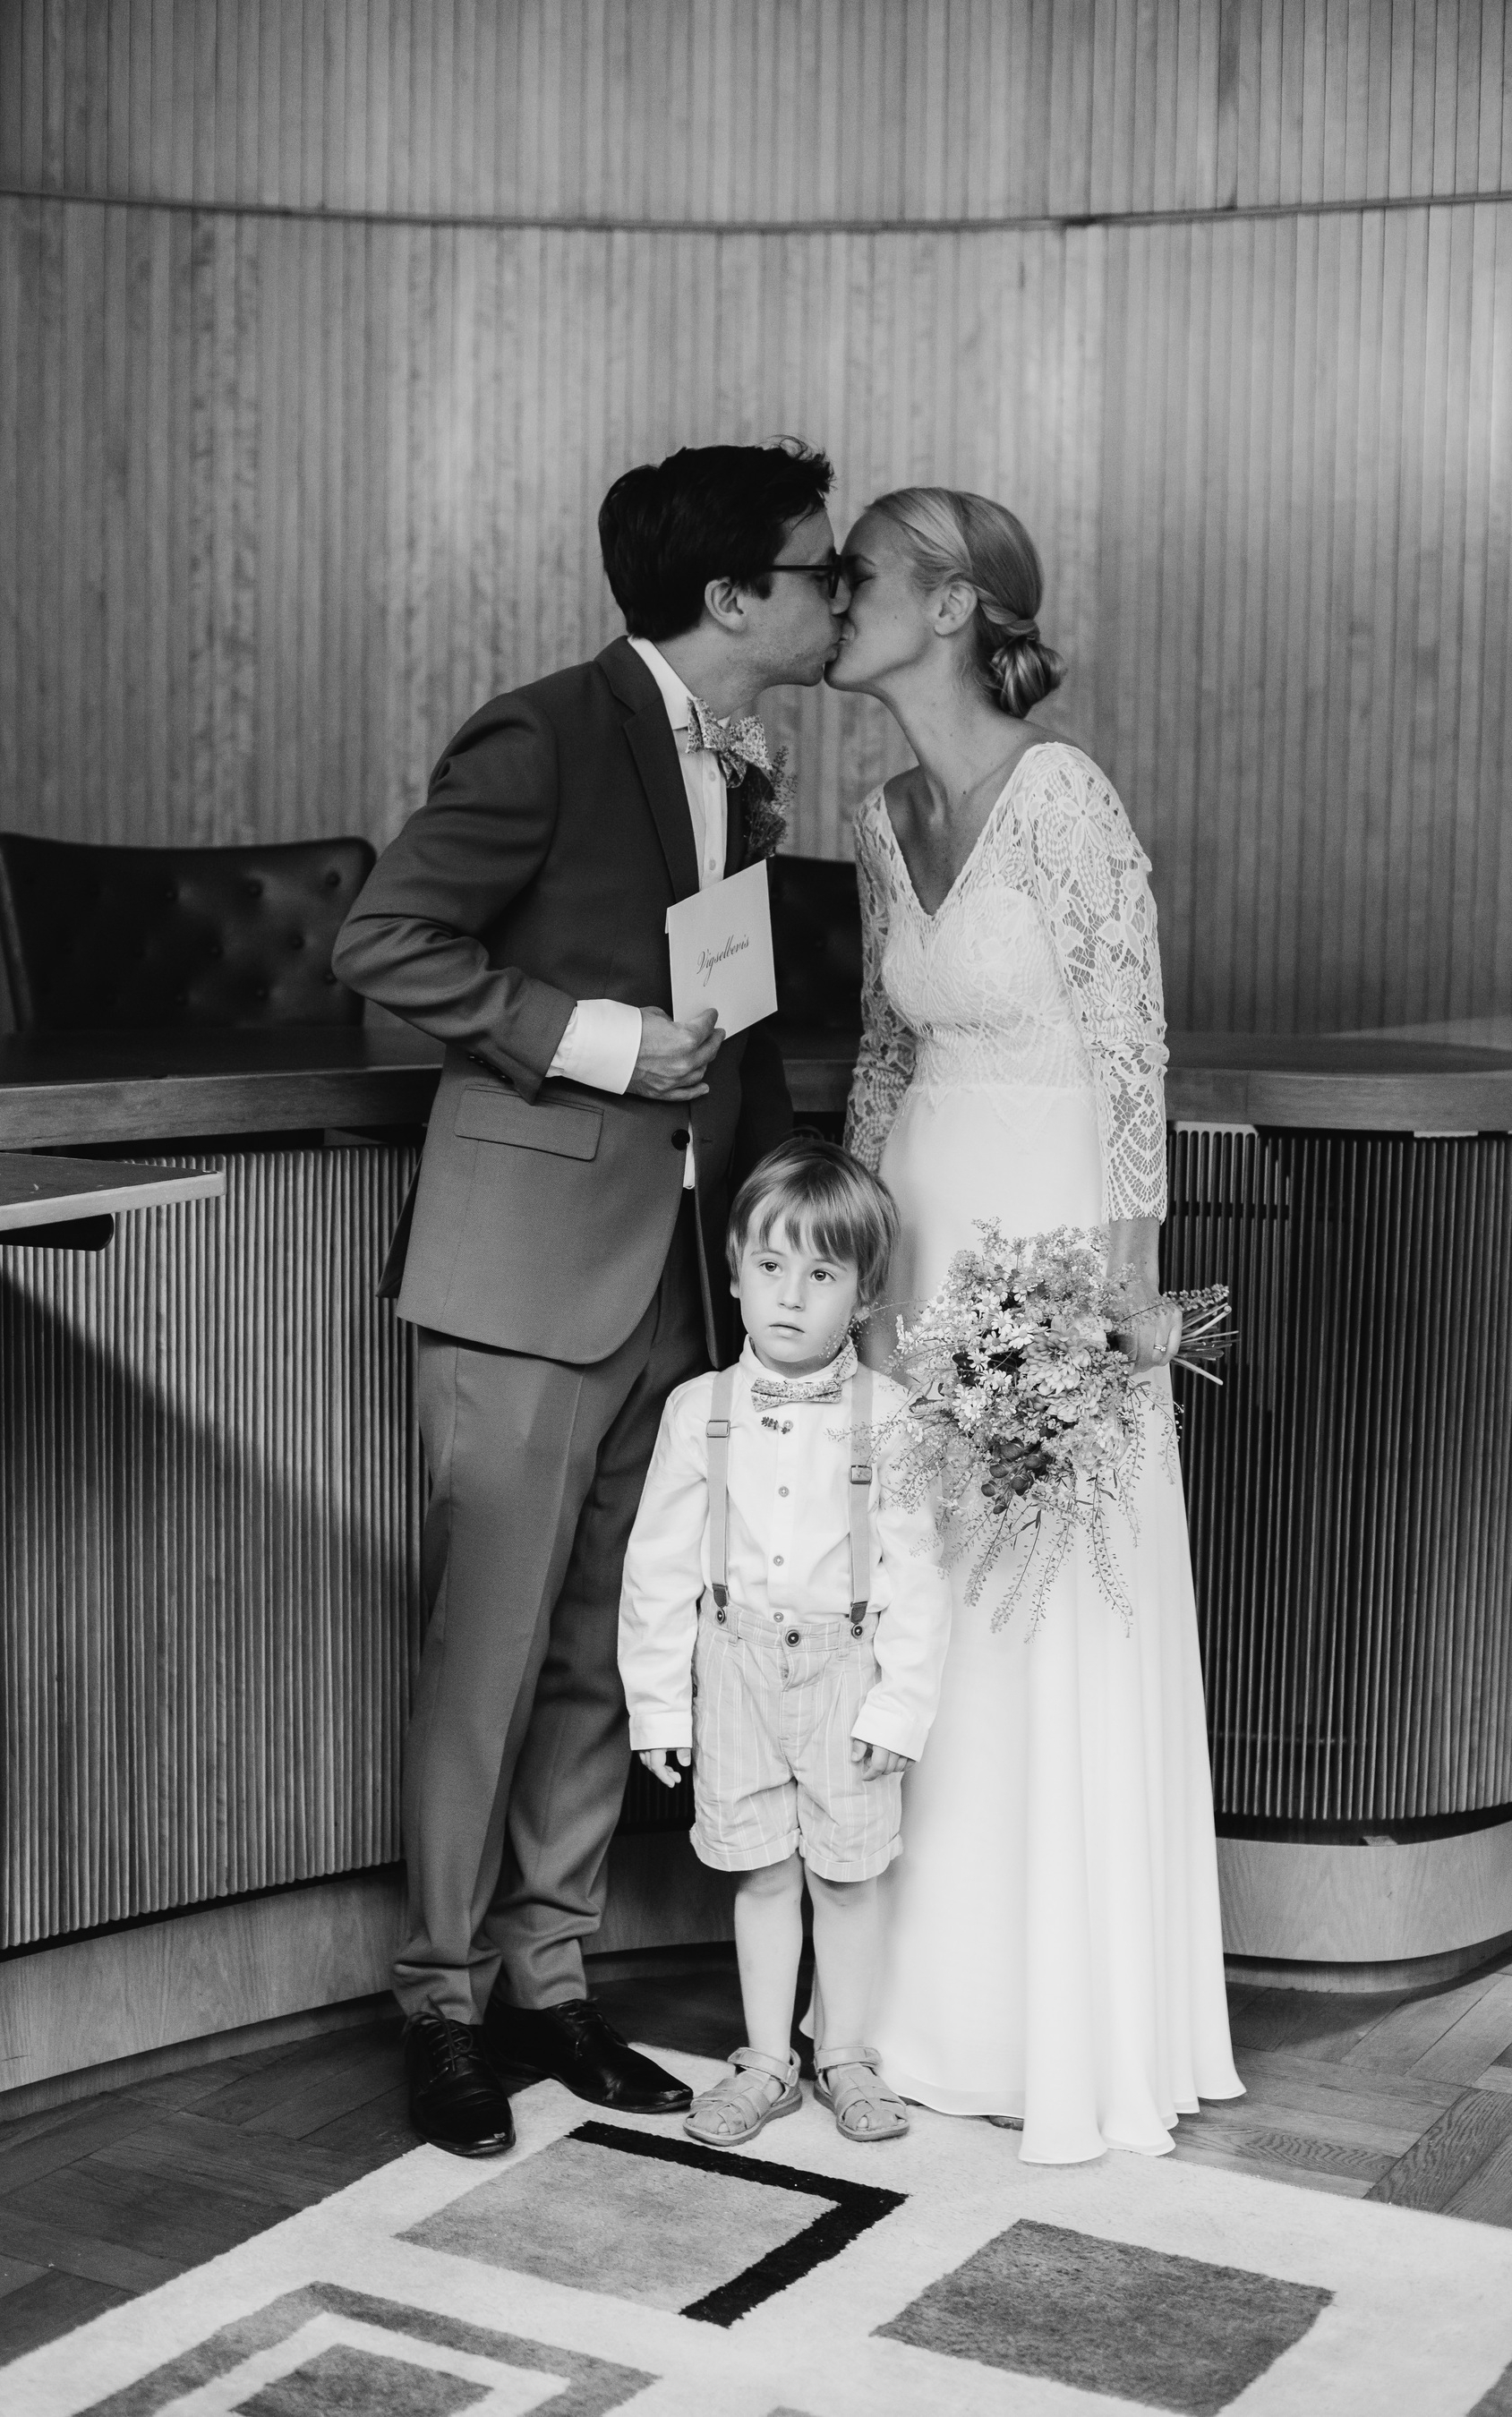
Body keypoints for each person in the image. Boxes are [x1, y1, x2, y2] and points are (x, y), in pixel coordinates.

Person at [332, 442, 848, 2157]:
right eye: (814, 570)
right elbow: (387, 938)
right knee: (484, 1658)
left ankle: (553, 1986)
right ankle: (440, 2009)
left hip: (688, 1275)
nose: (833, 596)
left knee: (602, 1659)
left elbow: (745, 1022)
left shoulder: (737, 762)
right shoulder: (547, 729)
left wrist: (777, 1209)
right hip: (526, 1275)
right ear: (728, 599)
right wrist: (597, 1038)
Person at [827, 485, 1243, 2163]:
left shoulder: (1065, 798)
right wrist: (858, 1273)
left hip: (1052, 1237)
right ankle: (911, 2010)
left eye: (852, 577)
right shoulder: (875, 813)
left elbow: (1137, 1055)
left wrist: (1113, 1306)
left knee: (1044, 1604)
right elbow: (877, 1051)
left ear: (946, 607)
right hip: (920, 1233)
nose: (826, 601)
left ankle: (1062, 2019)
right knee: (920, 1610)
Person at [618, 1139, 951, 2148]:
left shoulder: (889, 1417)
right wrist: (658, 1706)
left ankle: (844, 2051)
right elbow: (659, 1570)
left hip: (846, 1675)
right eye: (770, 1268)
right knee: (760, 1873)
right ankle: (766, 2060)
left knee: (846, 1874)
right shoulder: (697, 1410)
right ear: (733, 1272)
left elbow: (917, 1578)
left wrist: (899, 1708)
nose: (791, 1297)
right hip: (734, 1669)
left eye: (822, 1274)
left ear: (862, 1294)